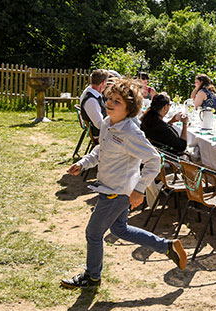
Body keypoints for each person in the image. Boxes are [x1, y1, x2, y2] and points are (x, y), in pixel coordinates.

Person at [62, 77, 186, 288]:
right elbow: (101, 149)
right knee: (120, 230)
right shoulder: (107, 123)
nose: (109, 103)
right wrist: (84, 163)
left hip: (116, 192)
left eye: (117, 101)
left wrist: (139, 190)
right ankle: (168, 247)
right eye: (109, 98)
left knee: (93, 233)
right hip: (108, 187)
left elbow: (154, 160)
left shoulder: (131, 132)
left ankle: (92, 277)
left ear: (129, 108)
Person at [79, 69, 109, 140]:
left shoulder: (96, 95)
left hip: (105, 133)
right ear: (103, 82)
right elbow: (100, 125)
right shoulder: (91, 100)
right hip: (101, 136)